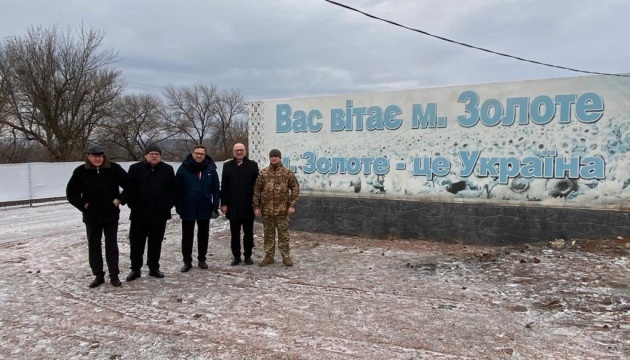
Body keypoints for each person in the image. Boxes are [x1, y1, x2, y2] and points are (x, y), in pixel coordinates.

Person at [66, 144, 130, 288]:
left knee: (111, 245)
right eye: (94, 156)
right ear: (88, 157)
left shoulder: (113, 169)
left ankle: (114, 275)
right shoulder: (80, 172)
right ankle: (98, 275)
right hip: (92, 216)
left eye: (100, 156)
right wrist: (83, 205)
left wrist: (120, 199)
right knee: (94, 246)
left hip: (110, 214)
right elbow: (71, 193)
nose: (98, 159)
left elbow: (130, 185)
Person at [123, 144, 177, 281]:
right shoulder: (135, 169)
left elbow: (173, 190)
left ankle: (154, 267)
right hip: (139, 214)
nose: (154, 156)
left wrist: (167, 205)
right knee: (136, 243)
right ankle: (135, 269)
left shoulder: (168, 169)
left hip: (159, 214)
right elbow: (129, 189)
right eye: (151, 154)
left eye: (157, 154)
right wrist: (132, 205)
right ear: (145, 155)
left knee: (155, 243)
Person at [176, 145, 220, 272]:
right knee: (187, 236)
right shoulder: (183, 168)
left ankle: (202, 259)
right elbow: (177, 189)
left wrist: (215, 205)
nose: (199, 156)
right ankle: (187, 261)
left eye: (202, 154)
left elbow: (216, 189)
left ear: (205, 155)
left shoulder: (210, 169)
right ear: (192, 153)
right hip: (188, 206)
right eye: (197, 153)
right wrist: (178, 206)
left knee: (203, 235)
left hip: (205, 206)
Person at [253, 149, 300, 267]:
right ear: (269, 158)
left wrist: (292, 205)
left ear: (280, 158)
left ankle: (286, 255)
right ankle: (269, 256)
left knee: (283, 234)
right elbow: (257, 190)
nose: (274, 158)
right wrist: (256, 206)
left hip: (282, 210)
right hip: (267, 210)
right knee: (268, 234)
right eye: (272, 156)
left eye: (276, 156)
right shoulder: (263, 173)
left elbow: (295, 188)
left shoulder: (287, 173)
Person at [220, 143, 259, 266]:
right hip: (233, 206)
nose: (239, 152)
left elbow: (257, 187)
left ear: (245, 151)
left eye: (241, 150)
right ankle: (236, 257)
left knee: (248, 233)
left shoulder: (253, 165)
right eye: (237, 150)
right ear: (233, 152)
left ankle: (248, 256)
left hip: (248, 205)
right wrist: (224, 203)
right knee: (235, 234)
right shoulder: (227, 166)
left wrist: (256, 205)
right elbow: (224, 186)